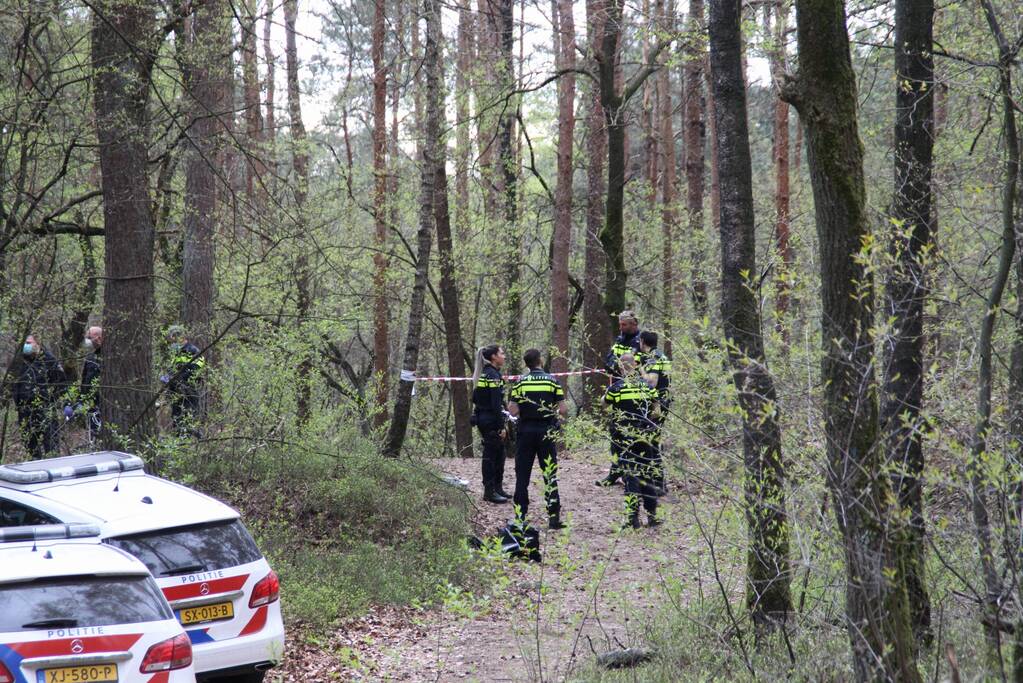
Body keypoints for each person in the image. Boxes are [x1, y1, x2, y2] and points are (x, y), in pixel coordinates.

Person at [508, 348, 567, 530]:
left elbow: (512, 410)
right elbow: (563, 409)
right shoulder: (552, 381)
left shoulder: (520, 383)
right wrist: (552, 415)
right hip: (546, 431)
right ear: (540, 361)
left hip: (525, 431)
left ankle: (520, 517)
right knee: (549, 474)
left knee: (522, 475)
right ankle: (553, 517)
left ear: (526, 364)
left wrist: (525, 409)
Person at [604, 353, 661, 529]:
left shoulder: (616, 388)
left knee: (630, 475)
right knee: (647, 474)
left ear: (621, 367)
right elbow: (657, 411)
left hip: (624, 436)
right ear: (635, 366)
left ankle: (632, 518)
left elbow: (606, 408)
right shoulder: (647, 387)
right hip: (644, 435)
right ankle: (652, 516)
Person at [596, 310, 645, 487]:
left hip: (636, 394)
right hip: (619, 392)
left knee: (634, 437)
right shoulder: (619, 340)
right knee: (615, 434)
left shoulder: (641, 340)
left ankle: (633, 476)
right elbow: (609, 361)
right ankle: (614, 472)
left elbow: (635, 363)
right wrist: (614, 365)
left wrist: (622, 365)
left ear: (633, 324)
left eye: (624, 324)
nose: (621, 328)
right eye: (620, 324)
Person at [12, 335, 68, 459]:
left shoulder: (49, 360)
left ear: (38, 343)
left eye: (29, 342)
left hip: (45, 409)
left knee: (50, 443)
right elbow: (15, 384)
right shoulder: (22, 361)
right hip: (25, 411)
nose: (26, 345)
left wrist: (52, 400)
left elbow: (61, 384)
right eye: (25, 343)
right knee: (30, 444)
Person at [471, 345, 510, 504]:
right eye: (502, 353)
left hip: (486, 417)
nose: (504, 356)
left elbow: (476, 397)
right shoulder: (491, 375)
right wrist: (501, 426)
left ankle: (497, 488)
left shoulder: (489, 374)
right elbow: (495, 404)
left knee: (500, 454)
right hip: (490, 420)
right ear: (494, 357)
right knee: (491, 456)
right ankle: (489, 491)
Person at [639, 330, 671, 494]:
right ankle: (657, 482)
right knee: (653, 442)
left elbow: (651, 382)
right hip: (663, 402)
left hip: (656, 405)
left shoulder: (653, 358)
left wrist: (640, 371)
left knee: (651, 444)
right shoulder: (661, 355)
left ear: (642, 341)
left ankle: (658, 484)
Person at [160, 325, 206, 435]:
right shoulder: (174, 352)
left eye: (174, 337)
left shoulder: (193, 350)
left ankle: (192, 441)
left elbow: (197, 367)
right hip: (175, 391)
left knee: (189, 416)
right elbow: (170, 369)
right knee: (176, 417)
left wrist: (182, 377)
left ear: (181, 337)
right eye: (171, 338)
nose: (172, 340)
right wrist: (167, 378)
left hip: (189, 390)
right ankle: (179, 441)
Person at [78, 326, 103, 441]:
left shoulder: (107, 356)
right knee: (93, 434)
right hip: (90, 404)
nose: (87, 340)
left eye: (89, 337)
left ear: (99, 338)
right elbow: (84, 381)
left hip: (102, 404)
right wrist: (81, 400)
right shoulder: (90, 357)